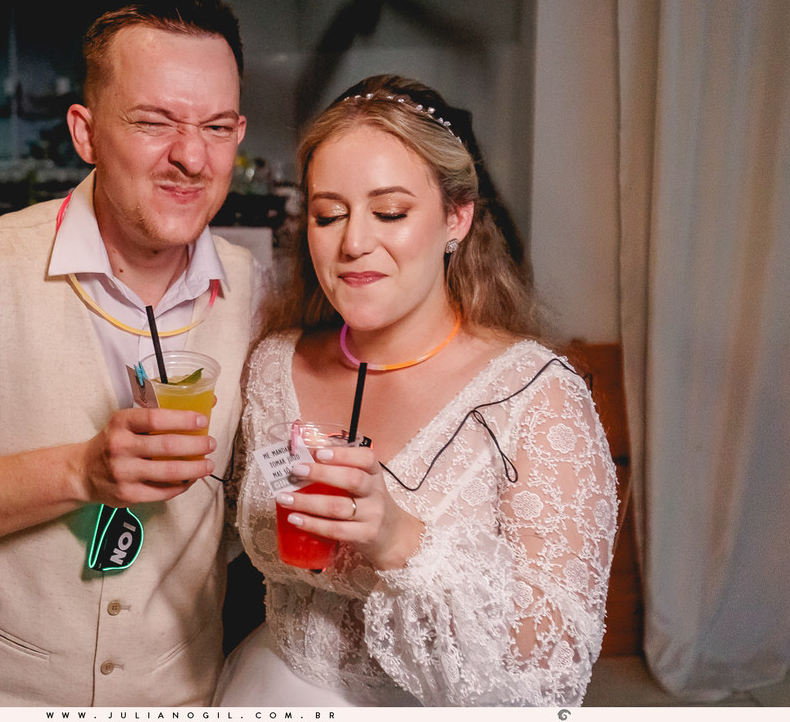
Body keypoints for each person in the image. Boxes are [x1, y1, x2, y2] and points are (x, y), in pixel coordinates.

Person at [0, 0, 262, 706]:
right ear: (85, 131)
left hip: (181, 690)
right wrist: (79, 470)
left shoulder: (253, 286)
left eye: (217, 127)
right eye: (154, 121)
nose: (191, 157)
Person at [215, 74, 618, 707]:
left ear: (457, 217)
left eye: (391, 212)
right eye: (329, 214)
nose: (353, 242)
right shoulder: (273, 366)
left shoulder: (535, 396)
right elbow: (209, 534)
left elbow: (554, 671)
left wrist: (400, 541)